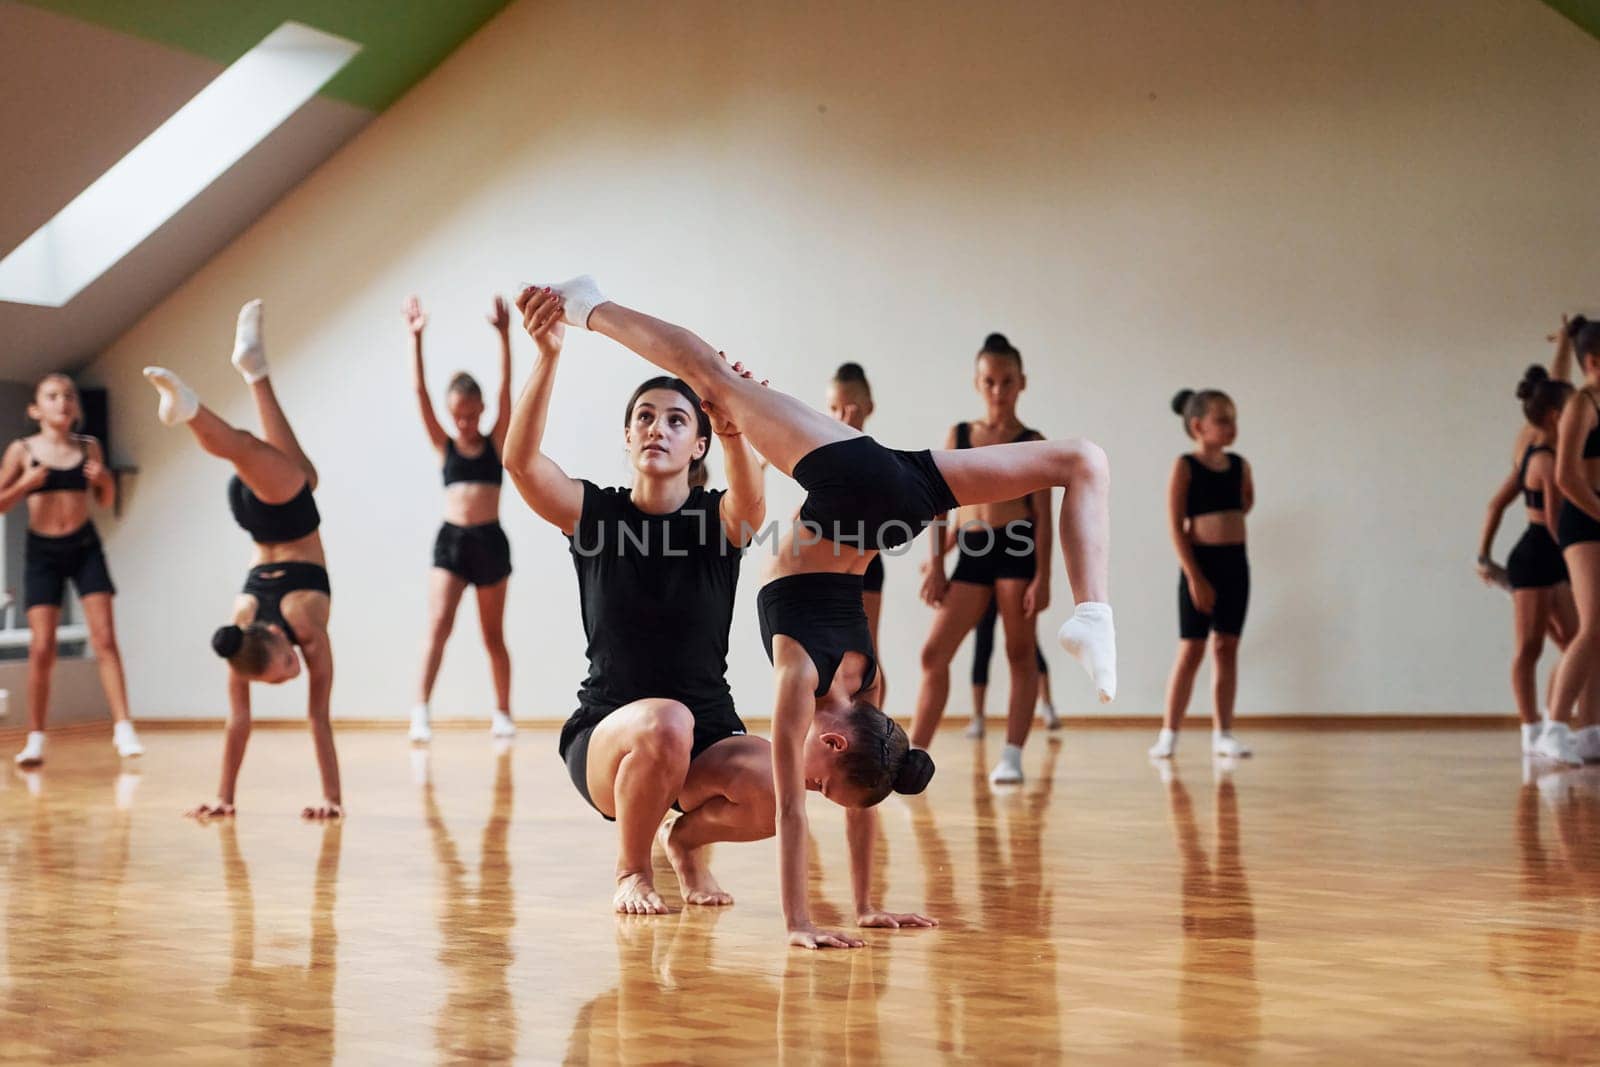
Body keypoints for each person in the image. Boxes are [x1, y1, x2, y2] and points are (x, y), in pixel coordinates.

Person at [521, 276, 1114, 947]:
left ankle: (1093, 612)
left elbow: (855, 790)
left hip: (893, 494)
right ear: (830, 740)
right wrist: (800, 921)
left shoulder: (862, 687)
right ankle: (587, 306)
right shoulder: (799, 679)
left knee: (1078, 459)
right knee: (703, 372)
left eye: (823, 789)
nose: (813, 786)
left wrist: (865, 906)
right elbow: (798, 813)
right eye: (826, 781)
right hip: (860, 486)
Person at [502, 287, 776, 914]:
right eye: (646, 418)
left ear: (698, 446)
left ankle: (686, 841)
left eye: (678, 420)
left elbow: (752, 504)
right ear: (628, 438)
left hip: (705, 733)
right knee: (664, 720)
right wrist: (547, 356)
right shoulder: (595, 515)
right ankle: (633, 870)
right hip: (609, 736)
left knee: (776, 786)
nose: (659, 428)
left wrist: (735, 421)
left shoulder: (717, 523)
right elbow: (520, 464)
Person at [142, 300, 342, 818]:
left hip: (278, 513)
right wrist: (224, 798)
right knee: (304, 474)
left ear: (276, 641)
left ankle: (189, 409)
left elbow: (317, 717)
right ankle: (254, 369)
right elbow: (241, 723)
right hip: (260, 510)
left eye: (282, 670)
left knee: (243, 447)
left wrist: (332, 798)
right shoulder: (241, 639)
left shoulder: (302, 629)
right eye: (284, 677)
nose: (290, 674)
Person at [0, 373, 142, 765]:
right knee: (41, 647)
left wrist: (107, 480)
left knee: (105, 638)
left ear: (75, 407)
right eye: (51, 396)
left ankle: (124, 728)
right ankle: (36, 738)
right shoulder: (22, 450)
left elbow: (105, 499)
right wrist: (25, 483)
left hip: (84, 546)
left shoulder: (89, 447)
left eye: (67, 396)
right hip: (42, 552)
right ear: (36, 409)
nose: (61, 402)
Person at [403, 295, 516, 742]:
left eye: (471, 415)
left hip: (489, 541)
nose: (465, 424)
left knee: (493, 635)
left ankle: (503, 713)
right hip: (451, 542)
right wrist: (416, 338)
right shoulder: (445, 445)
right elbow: (419, 393)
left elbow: (509, 391)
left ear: (482, 411)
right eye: (458, 417)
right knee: (438, 626)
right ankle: (420, 711)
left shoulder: (495, 441)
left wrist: (505, 336)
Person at [1148, 389, 1253, 761]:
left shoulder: (1240, 465)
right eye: (1222, 419)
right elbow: (1176, 525)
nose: (1231, 427)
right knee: (1191, 649)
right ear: (1197, 426)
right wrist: (1194, 576)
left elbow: (1245, 504)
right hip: (1200, 564)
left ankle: (1223, 733)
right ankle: (1168, 734)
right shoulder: (1185, 466)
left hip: (1235, 565)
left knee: (1226, 648)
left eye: (1233, 418)